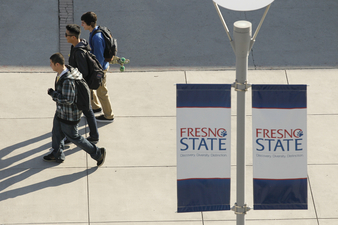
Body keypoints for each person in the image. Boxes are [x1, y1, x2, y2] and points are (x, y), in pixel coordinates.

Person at [44, 52, 106, 167]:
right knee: (57, 133)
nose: (50, 66)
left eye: (51, 64)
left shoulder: (67, 80)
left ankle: (98, 153)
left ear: (57, 64)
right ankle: (57, 154)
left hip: (69, 115)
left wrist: (53, 94)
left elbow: (68, 99)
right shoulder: (65, 71)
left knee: (74, 137)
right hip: (61, 111)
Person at [65, 24, 99, 143]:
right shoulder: (77, 46)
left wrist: (72, 78)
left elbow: (83, 72)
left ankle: (92, 135)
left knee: (85, 111)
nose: (65, 37)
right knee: (81, 111)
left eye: (67, 35)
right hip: (79, 86)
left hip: (79, 87)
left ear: (73, 37)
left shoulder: (79, 52)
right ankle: (74, 135)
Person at [81, 11, 115, 123]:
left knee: (102, 91)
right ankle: (95, 107)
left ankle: (109, 115)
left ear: (90, 24)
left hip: (100, 68)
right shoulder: (94, 32)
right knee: (91, 87)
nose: (82, 25)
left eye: (83, 23)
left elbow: (99, 58)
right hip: (97, 67)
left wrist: (95, 71)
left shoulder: (97, 38)